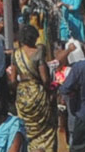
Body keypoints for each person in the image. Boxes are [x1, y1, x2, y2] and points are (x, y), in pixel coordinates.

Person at [12, 24, 57, 152]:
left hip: (22, 95)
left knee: (27, 128)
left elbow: (13, 80)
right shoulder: (38, 53)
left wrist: (20, 90)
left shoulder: (16, 54)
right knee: (46, 128)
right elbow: (45, 79)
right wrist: (50, 91)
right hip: (38, 93)